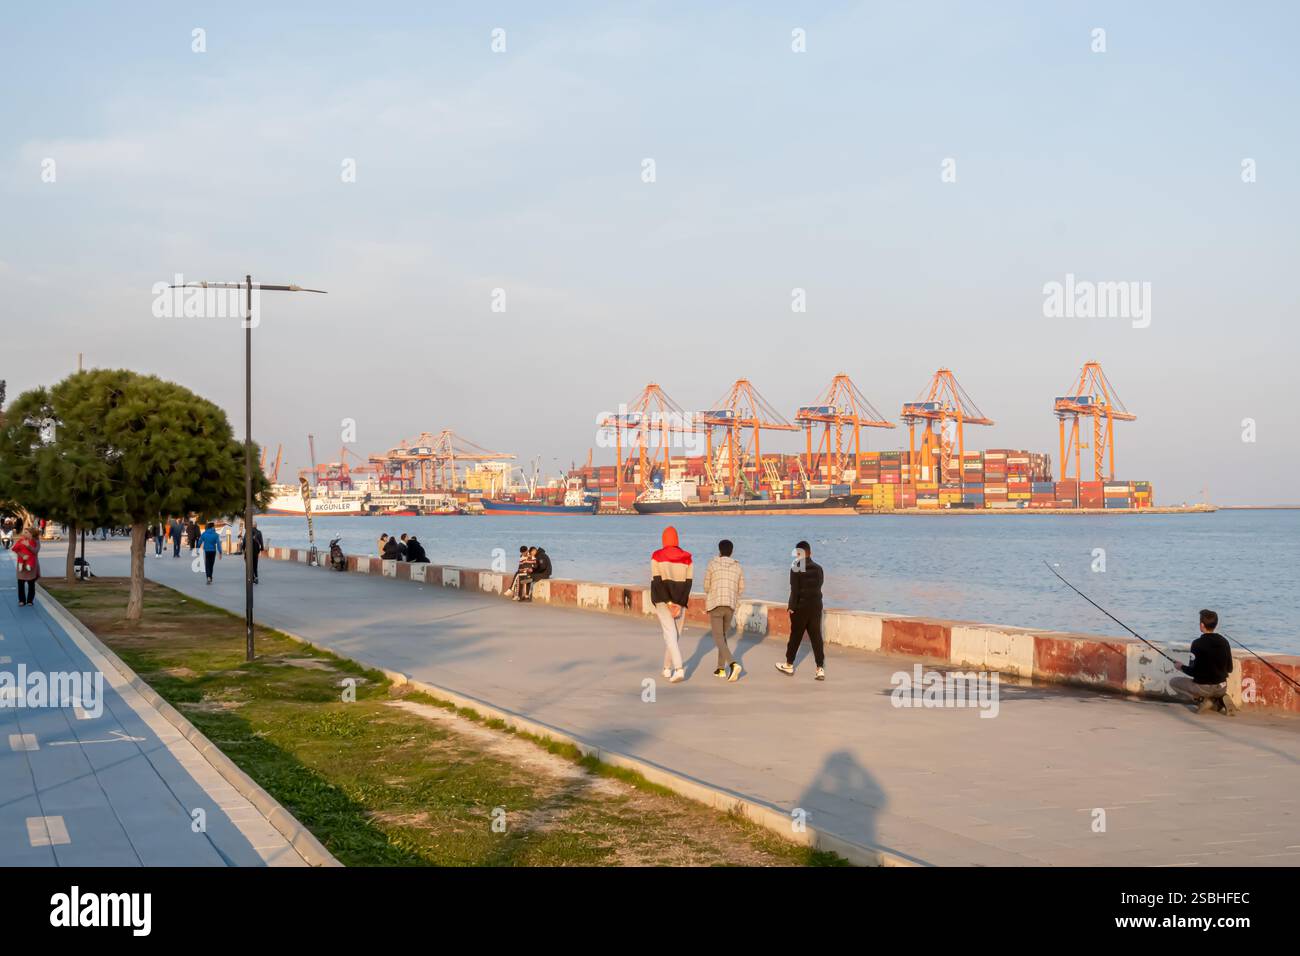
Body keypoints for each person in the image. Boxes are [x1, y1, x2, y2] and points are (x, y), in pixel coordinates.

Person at [1169, 609, 1237, 715]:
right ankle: (1220, 698)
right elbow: (1230, 669)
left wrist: (1180, 667)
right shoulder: (1224, 642)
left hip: (1203, 688)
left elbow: (1193, 672)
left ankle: (1202, 700)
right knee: (1216, 688)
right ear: (1216, 624)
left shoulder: (1197, 644)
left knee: (1173, 682)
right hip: (1222, 687)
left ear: (1202, 625)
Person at [776, 540, 826, 680]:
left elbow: (795, 590)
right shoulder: (819, 568)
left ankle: (789, 664)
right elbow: (819, 586)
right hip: (816, 606)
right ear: (810, 553)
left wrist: (791, 607)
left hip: (800, 607)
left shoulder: (796, 568)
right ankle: (820, 668)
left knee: (796, 636)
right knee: (816, 637)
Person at [650, 526, 692, 683]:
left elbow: (657, 582)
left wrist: (668, 602)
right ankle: (667, 669)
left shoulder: (656, 556)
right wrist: (679, 604)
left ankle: (679, 669)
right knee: (674, 636)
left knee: (670, 635)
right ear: (677, 539)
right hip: (680, 601)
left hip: (662, 601)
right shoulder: (687, 558)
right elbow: (689, 583)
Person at [703, 538, 745, 682]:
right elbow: (741, 589)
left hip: (716, 604)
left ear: (719, 551)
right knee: (723, 637)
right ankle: (720, 669)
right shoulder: (738, 567)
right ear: (732, 552)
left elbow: (706, 587)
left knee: (718, 637)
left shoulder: (712, 564)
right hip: (730, 606)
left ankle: (733, 664)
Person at [13, 528, 40, 607]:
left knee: (31, 584)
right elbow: (16, 549)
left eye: (26, 532)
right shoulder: (21, 539)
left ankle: (30, 601)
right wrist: (23, 555)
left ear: (31, 533)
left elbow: (35, 551)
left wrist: (28, 545)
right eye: (24, 532)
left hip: (31, 564)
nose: (24, 534)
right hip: (21, 564)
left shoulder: (36, 541)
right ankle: (21, 601)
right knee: (20, 583)